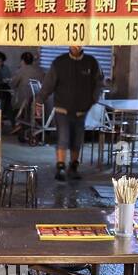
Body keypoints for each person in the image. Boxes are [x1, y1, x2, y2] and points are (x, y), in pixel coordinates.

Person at [36, 45, 103, 180]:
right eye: (73, 43)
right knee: (63, 138)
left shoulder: (91, 62)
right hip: (62, 109)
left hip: (81, 111)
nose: (76, 46)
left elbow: (99, 83)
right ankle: (60, 168)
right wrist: (39, 101)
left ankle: (73, 167)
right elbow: (48, 84)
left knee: (77, 140)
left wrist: (92, 100)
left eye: (79, 43)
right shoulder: (60, 62)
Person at [10, 52, 46, 138]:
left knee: (12, 104)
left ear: (22, 61)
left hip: (24, 101)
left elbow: (13, 84)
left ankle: (18, 124)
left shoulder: (21, 70)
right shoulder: (40, 70)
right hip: (39, 100)